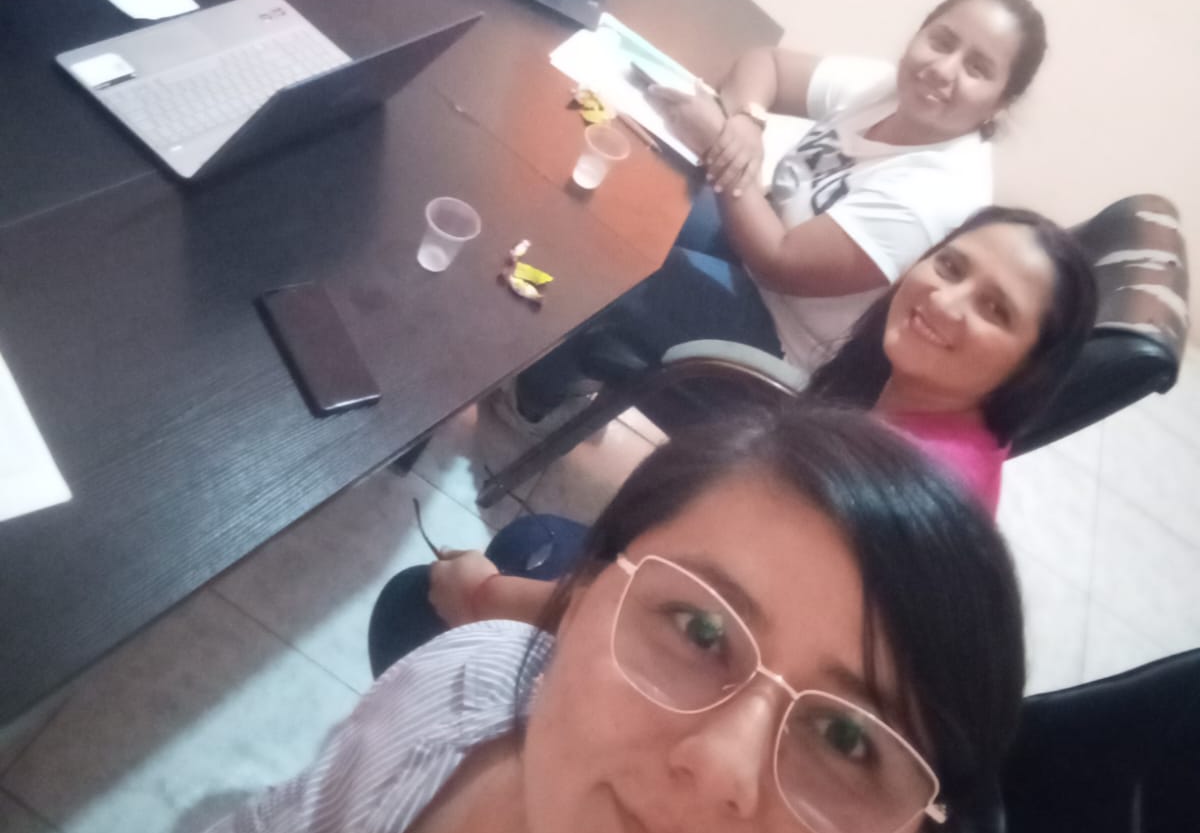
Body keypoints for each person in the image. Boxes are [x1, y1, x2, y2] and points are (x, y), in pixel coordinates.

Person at [75, 403, 1026, 833]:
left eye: (849, 738)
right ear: (582, 596)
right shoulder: (466, 676)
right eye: (699, 628)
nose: (722, 769)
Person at [374, 205, 1095, 660]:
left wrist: (487, 599)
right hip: (708, 630)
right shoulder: (959, 426)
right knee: (536, 542)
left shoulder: (893, 484)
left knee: (411, 608)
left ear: (1031, 367)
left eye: (995, 309)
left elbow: (691, 624)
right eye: (951, 265)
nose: (946, 300)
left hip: (682, 689)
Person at [504, 0, 1048, 427]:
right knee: (634, 188)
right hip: (756, 247)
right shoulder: (889, 88)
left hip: (780, 340)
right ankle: (566, 366)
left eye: (977, 68)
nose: (944, 69)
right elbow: (765, 64)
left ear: (999, 103)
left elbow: (779, 262)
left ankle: (532, 395)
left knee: (620, 258)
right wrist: (746, 121)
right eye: (941, 41)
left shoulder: (935, 194)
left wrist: (719, 143)